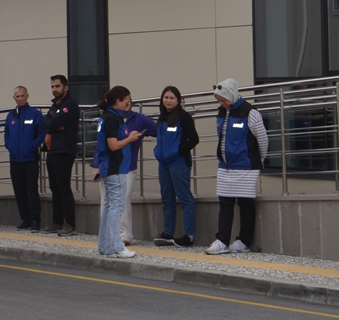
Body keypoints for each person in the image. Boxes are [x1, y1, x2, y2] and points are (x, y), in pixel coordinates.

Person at [206, 79, 268, 255]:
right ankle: (222, 240)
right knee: (225, 202)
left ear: (232, 94)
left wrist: (260, 158)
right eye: (219, 100)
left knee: (245, 203)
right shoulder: (221, 113)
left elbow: (263, 139)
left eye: (224, 99)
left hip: (245, 166)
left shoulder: (250, 113)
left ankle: (244, 241)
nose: (222, 103)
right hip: (225, 167)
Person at [95, 86, 141, 259]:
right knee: (115, 208)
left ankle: (105, 245)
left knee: (108, 207)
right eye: (126, 101)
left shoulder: (105, 117)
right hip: (116, 167)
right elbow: (113, 145)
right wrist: (130, 139)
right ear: (118, 101)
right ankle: (116, 246)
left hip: (109, 167)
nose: (127, 105)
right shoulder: (113, 119)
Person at [152, 86, 199, 248]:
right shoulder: (162, 118)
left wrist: (178, 151)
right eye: (166, 97)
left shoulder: (184, 117)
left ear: (178, 100)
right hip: (163, 164)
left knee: (184, 198)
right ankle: (168, 233)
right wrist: (157, 152)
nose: (168, 101)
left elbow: (193, 139)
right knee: (167, 198)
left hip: (179, 163)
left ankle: (189, 235)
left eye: (172, 98)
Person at [41, 75, 80, 236]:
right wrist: (53, 125)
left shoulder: (69, 105)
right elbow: (44, 123)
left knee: (64, 188)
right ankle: (57, 221)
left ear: (66, 87)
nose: (54, 89)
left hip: (64, 150)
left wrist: (53, 124)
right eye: (52, 86)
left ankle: (70, 223)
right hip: (52, 150)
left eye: (57, 86)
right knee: (54, 187)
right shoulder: (54, 106)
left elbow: (53, 122)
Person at [4, 86, 42, 232]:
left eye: (22, 96)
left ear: (27, 96)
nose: (20, 98)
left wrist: (33, 145)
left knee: (32, 189)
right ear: (14, 98)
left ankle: (35, 220)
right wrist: (9, 145)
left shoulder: (35, 114)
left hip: (30, 158)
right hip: (15, 158)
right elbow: (6, 133)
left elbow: (41, 132)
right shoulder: (11, 116)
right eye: (17, 96)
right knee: (19, 190)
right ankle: (25, 219)